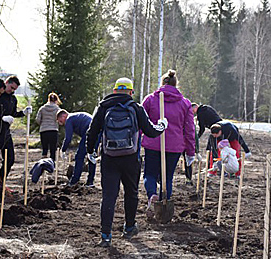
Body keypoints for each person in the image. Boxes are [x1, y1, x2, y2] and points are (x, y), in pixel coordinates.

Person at [86, 77, 168, 247]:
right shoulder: (136, 107)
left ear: (114, 90)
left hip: (109, 158)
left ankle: (106, 235)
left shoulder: (103, 107)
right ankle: (129, 227)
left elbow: (92, 131)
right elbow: (151, 131)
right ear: (131, 92)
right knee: (131, 193)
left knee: (109, 196)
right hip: (131, 159)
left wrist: (90, 151)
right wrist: (162, 125)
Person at [142, 70, 195, 215]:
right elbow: (190, 129)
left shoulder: (150, 99)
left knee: (150, 174)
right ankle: (163, 204)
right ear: (176, 84)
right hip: (174, 146)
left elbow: (141, 121)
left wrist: (137, 139)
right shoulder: (185, 103)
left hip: (152, 143)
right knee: (168, 177)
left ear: (162, 83)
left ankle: (152, 195)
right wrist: (190, 152)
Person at [0, 76, 32, 193]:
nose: (12, 90)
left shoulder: (13, 99)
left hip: (6, 133)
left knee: (10, 159)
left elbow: (13, 113)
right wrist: (1, 118)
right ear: (7, 83)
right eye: (11, 87)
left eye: (15, 89)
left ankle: (0, 183)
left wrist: (23, 113)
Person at [57, 109, 96, 186]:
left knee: (79, 157)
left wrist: (63, 150)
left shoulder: (69, 119)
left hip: (89, 132)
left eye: (60, 120)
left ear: (64, 115)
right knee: (91, 156)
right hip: (97, 131)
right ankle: (90, 182)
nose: (60, 123)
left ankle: (74, 182)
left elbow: (68, 138)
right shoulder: (76, 116)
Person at [191, 103, 222, 167]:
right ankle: (211, 165)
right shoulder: (206, 108)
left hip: (216, 130)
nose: (193, 112)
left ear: (195, 107)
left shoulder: (200, 113)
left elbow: (202, 129)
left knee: (212, 149)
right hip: (220, 127)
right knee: (211, 148)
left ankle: (214, 166)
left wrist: (197, 137)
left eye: (192, 110)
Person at [36, 92, 61, 161]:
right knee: (53, 149)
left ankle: (43, 164)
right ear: (56, 100)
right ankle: (52, 164)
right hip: (53, 130)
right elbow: (59, 119)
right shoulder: (57, 109)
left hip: (43, 130)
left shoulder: (42, 108)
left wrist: (42, 124)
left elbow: (37, 119)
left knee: (45, 149)